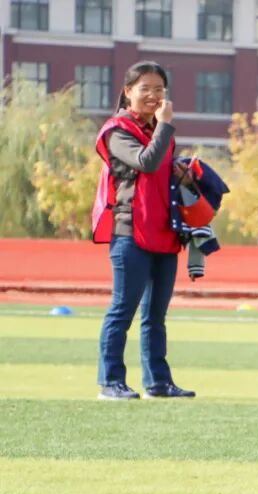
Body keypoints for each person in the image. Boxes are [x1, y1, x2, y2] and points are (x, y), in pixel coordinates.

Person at [91, 61, 194, 400]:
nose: (153, 95)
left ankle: (158, 382)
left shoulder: (160, 132)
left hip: (164, 232)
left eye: (159, 90)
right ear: (127, 92)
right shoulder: (117, 130)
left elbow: (159, 172)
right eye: (145, 88)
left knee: (155, 316)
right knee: (123, 310)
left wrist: (183, 172)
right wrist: (165, 126)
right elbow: (146, 162)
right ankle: (110, 382)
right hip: (130, 233)